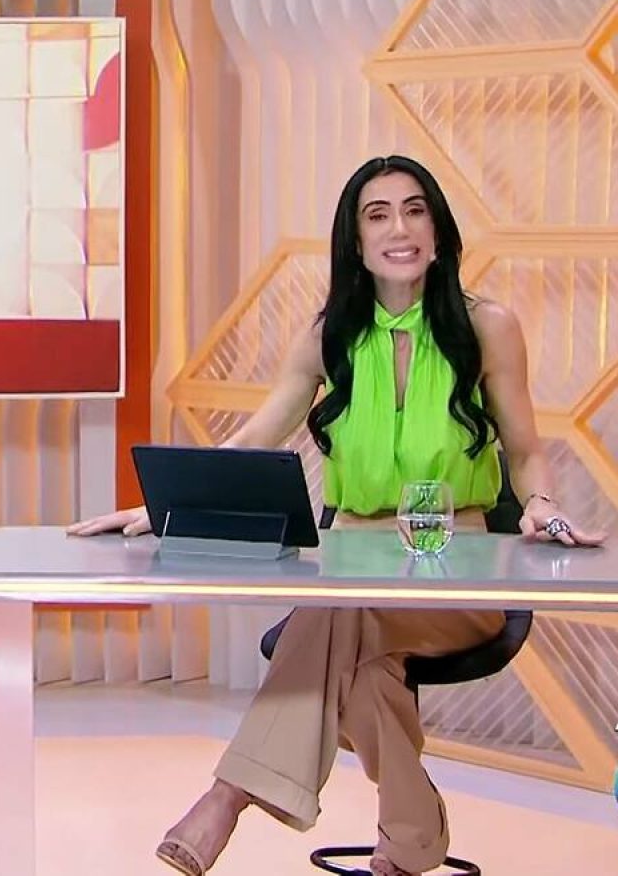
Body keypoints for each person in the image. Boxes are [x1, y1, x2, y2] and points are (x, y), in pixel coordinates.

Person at [67, 155, 605, 876]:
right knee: (365, 661)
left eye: (414, 210)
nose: (399, 229)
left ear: (438, 231)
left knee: (334, 612)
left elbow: (527, 450)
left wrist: (540, 503)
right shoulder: (328, 336)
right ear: (356, 241)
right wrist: (166, 505)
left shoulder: (489, 327)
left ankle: (229, 794)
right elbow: (256, 439)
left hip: (458, 566)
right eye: (377, 215)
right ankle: (412, 835)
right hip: (353, 555)